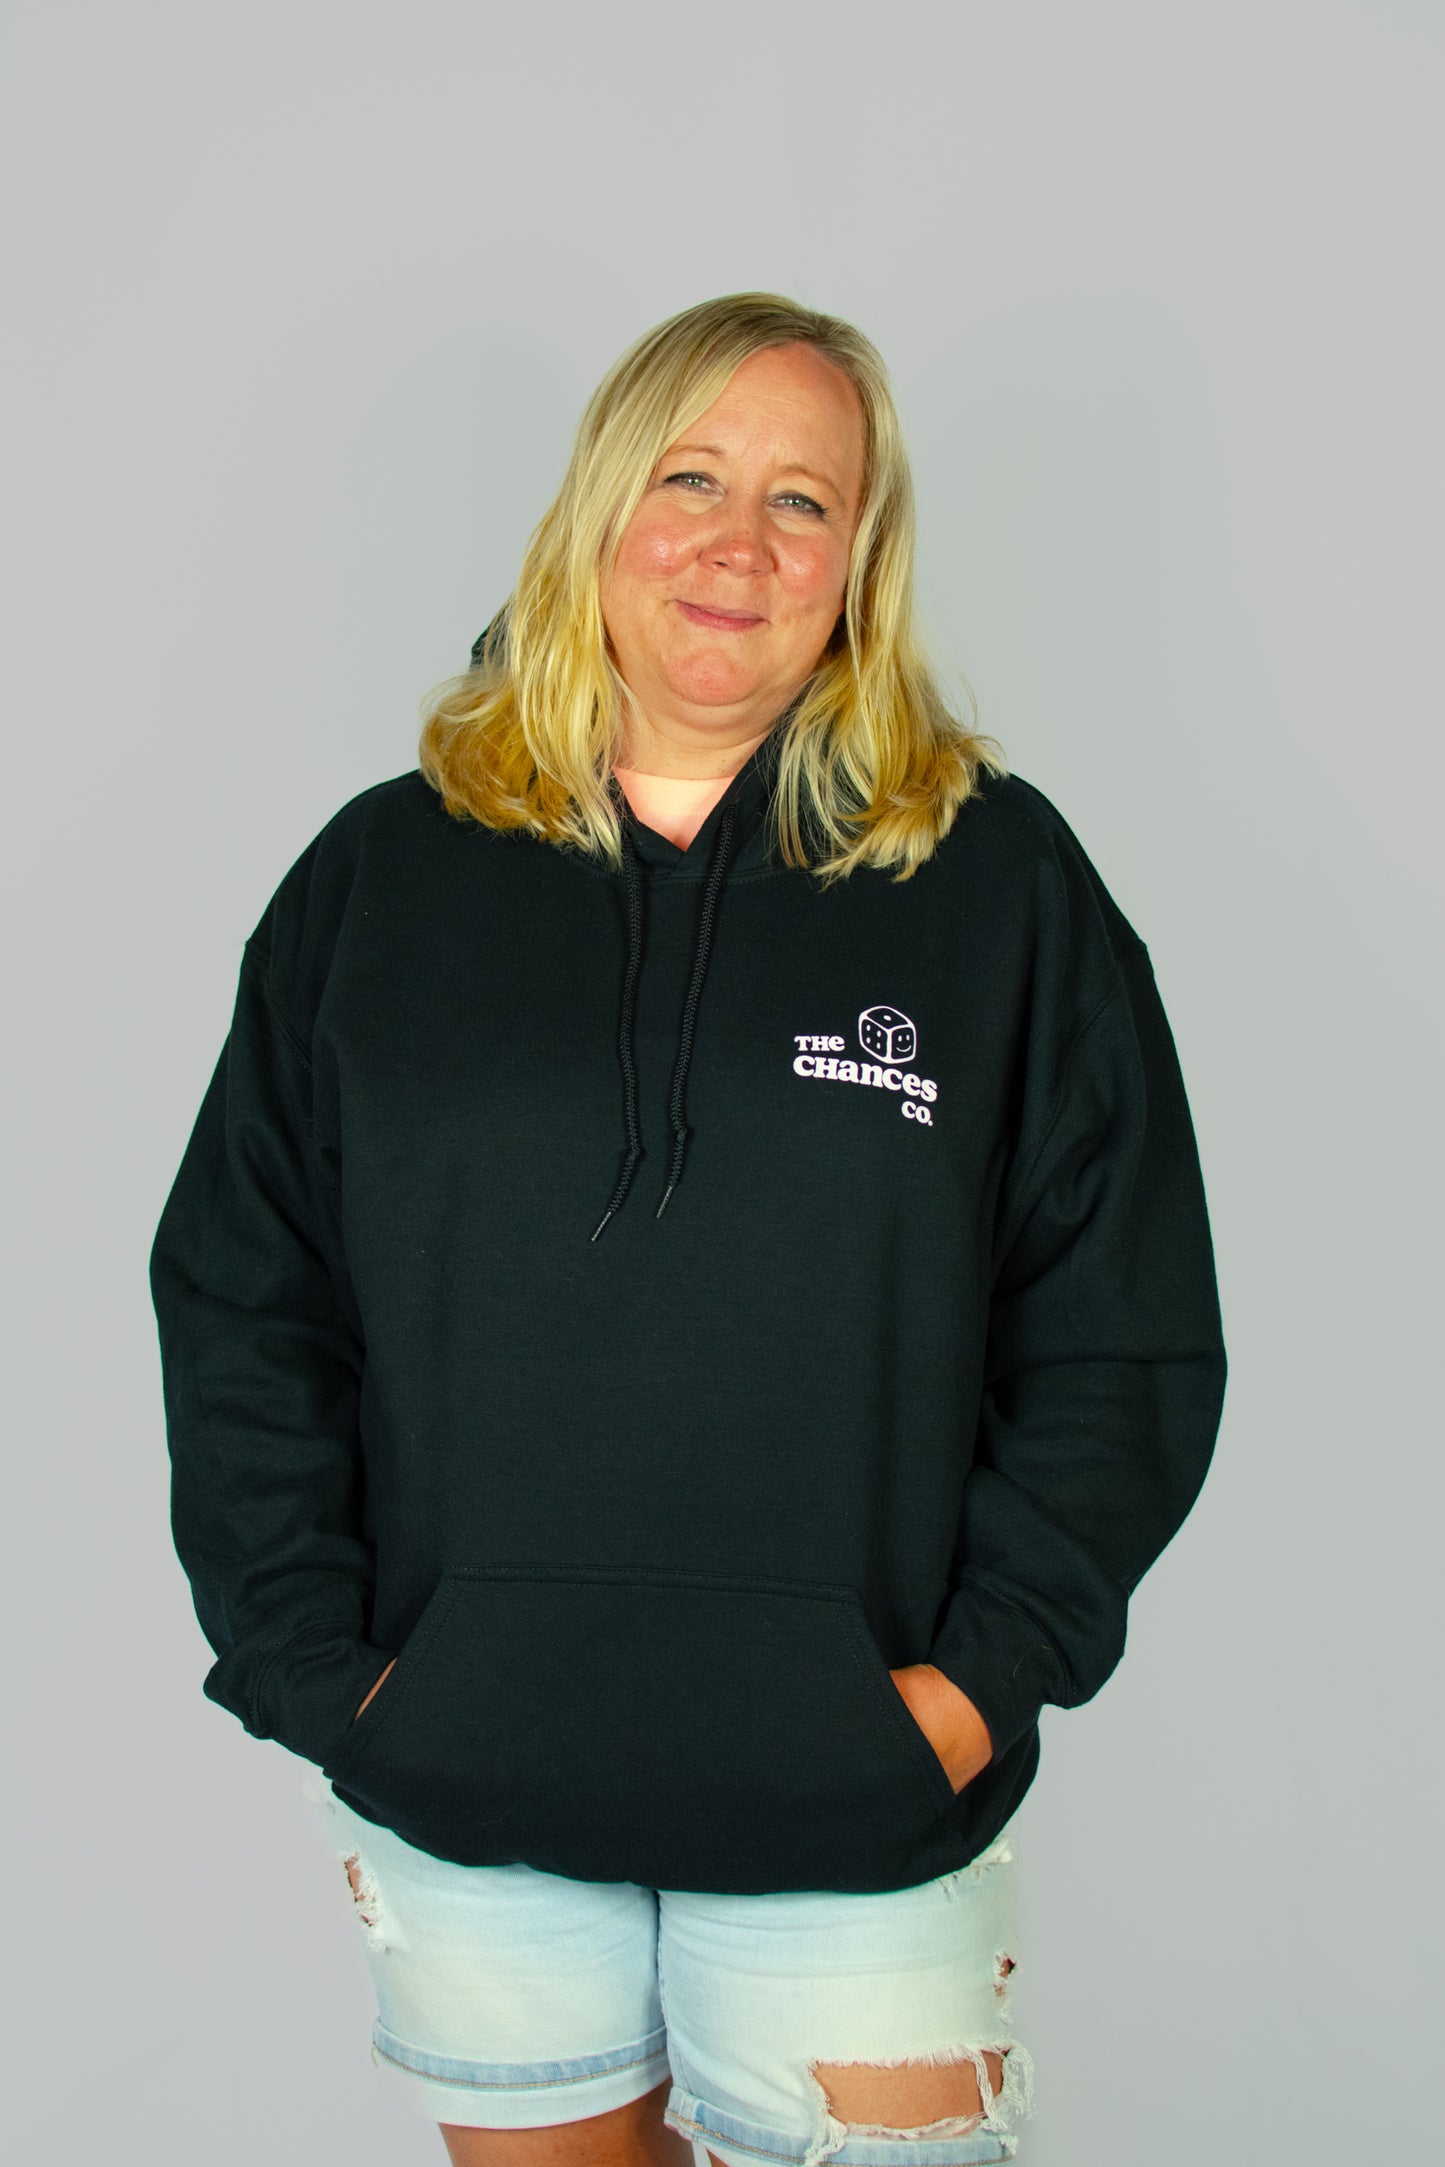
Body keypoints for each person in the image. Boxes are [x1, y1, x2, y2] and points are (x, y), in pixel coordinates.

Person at [149, 291, 1227, 2167]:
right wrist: (325, 1674)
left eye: (805, 501)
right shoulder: (378, 883)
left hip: (858, 1802)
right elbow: (245, 1297)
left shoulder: (996, 886)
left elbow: (1119, 1328)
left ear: (861, 564)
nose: (740, 542)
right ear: (599, 515)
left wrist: (977, 1689)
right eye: (693, 478)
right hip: (466, 1790)